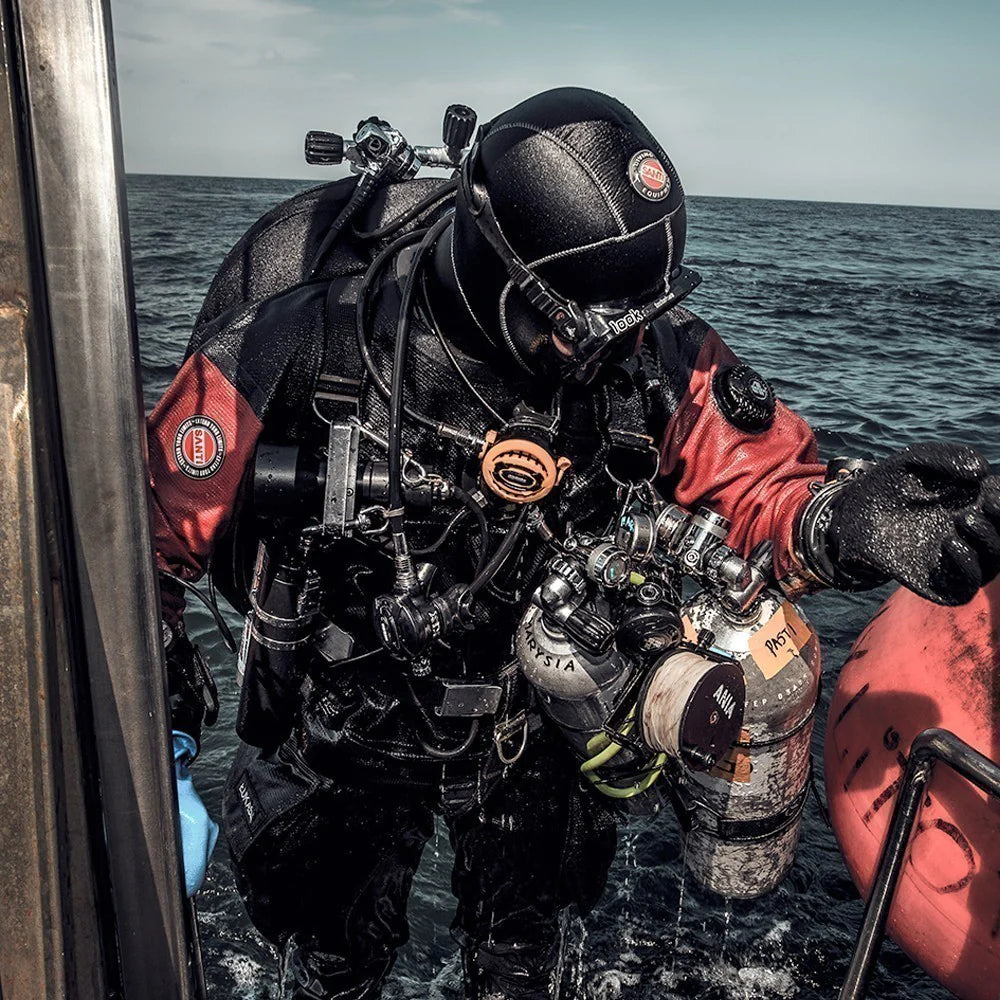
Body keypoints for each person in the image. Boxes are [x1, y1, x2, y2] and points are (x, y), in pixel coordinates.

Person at [146, 87, 1000, 999]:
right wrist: (162, 735)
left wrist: (843, 517)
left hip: (537, 720)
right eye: (581, 327)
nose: (611, 352)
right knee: (332, 963)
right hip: (347, 718)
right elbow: (149, 544)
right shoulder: (300, 348)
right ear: (497, 272)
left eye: (635, 323)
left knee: (522, 967)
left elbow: (757, 482)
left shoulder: (641, 346)